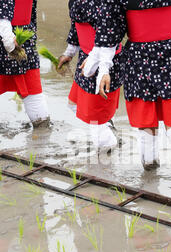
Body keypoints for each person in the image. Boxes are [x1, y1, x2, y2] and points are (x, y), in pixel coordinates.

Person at [82, 0, 171, 178]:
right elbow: (109, 31)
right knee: (145, 126)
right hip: (138, 59)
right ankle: (150, 180)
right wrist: (104, 69)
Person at [0, 0, 50, 130]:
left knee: (31, 86)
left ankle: (42, 134)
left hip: (22, 31)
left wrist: (30, 32)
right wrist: (8, 38)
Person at [58, 0, 124, 153]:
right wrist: (69, 53)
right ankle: (106, 127)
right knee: (74, 104)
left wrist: (103, 65)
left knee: (95, 113)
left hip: (105, 60)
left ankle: (107, 146)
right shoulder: (75, 2)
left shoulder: (108, 4)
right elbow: (75, 26)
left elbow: (111, 35)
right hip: (85, 58)